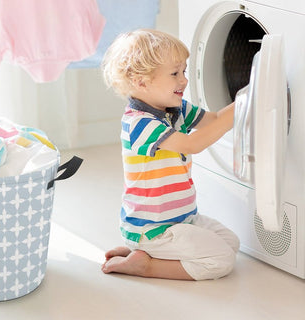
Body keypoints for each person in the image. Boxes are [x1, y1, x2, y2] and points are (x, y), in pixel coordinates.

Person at [101, 29, 239, 281]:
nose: (184, 80)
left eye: (183, 71)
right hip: (153, 228)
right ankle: (145, 264)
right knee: (221, 260)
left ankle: (143, 252)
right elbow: (191, 144)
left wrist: (246, 99)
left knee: (232, 243)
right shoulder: (139, 123)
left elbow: (214, 120)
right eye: (175, 73)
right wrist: (242, 105)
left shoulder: (175, 109)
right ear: (141, 82)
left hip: (183, 218)